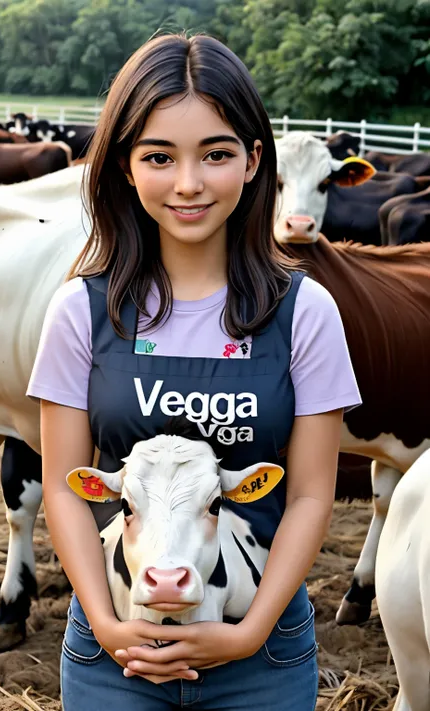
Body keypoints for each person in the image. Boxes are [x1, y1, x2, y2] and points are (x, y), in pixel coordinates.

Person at [27, 32, 361, 711]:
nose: (188, 183)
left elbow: (307, 496)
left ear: (252, 161)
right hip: (113, 651)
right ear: (124, 164)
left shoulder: (307, 312)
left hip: (261, 652)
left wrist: (251, 631)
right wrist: (109, 623)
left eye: (215, 153)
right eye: (159, 156)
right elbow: (64, 487)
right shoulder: (78, 311)